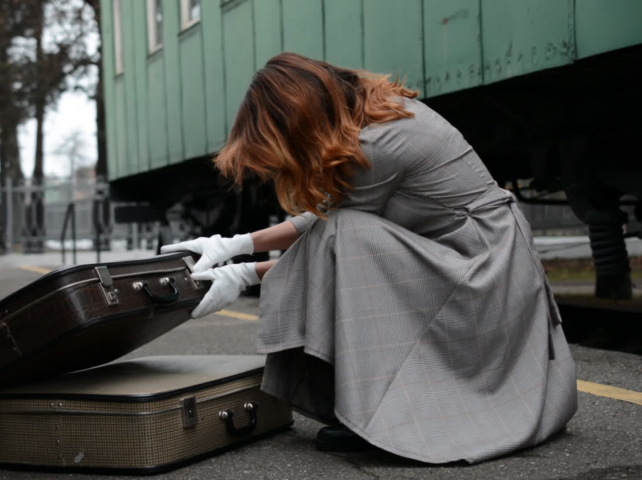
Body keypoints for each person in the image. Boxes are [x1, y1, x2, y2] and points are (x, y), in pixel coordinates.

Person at [161, 52, 577, 464]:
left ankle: (372, 412)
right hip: (474, 253)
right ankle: (369, 402)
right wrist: (235, 245)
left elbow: (331, 233)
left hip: (487, 267)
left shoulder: (380, 144)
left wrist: (245, 275)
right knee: (345, 231)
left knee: (350, 236)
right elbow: (325, 215)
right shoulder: (375, 116)